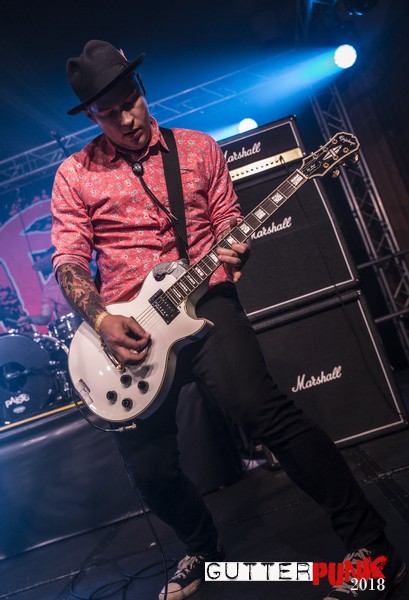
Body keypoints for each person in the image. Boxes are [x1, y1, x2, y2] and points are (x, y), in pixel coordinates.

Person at [51, 40, 407, 600]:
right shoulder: (75, 175)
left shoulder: (197, 148)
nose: (127, 119)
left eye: (130, 102)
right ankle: (203, 549)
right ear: (91, 118)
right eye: (109, 113)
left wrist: (236, 245)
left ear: (141, 89)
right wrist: (102, 320)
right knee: (150, 471)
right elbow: (69, 260)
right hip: (128, 329)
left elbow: (227, 218)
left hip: (206, 303)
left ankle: (372, 549)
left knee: (263, 410)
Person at [17, 247, 73, 327]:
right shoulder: (50, 288)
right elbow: (44, 318)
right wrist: (29, 319)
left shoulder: (86, 273)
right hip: (76, 327)